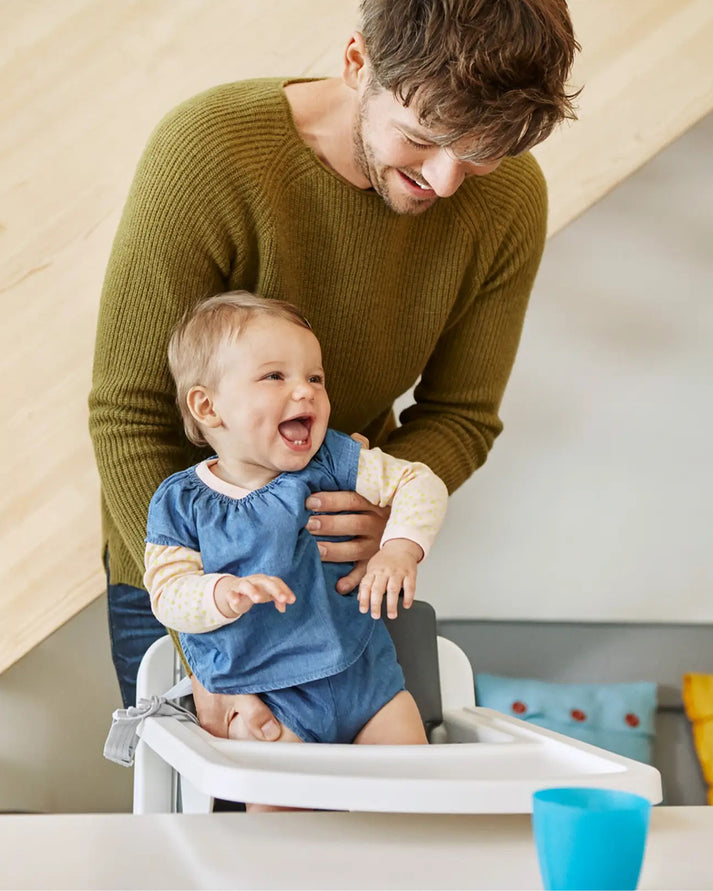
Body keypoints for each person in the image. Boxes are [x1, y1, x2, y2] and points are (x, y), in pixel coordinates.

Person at [89, 0, 580, 735]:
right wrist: (211, 652)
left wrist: (387, 515)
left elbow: (460, 416)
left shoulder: (507, 198)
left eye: (479, 153)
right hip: (185, 570)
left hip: (335, 585)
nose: (446, 181)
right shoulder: (210, 151)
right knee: (221, 833)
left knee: (376, 831)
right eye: (421, 138)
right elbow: (128, 413)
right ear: (357, 62)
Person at [144, 291, 447, 808]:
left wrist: (400, 548)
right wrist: (222, 593)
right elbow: (166, 593)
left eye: (315, 377)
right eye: (275, 377)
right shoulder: (180, 503)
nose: (305, 392)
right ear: (207, 406)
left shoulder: (333, 460)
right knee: (282, 841)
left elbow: (421, 483)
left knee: (415, 809)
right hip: (269, 705)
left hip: (368, 683)